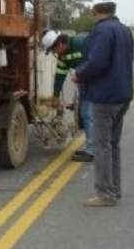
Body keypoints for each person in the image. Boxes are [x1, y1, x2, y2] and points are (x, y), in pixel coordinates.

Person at [72, 0, 134, 207]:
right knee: (113, 145)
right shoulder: (125, 30)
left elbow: (97, 62)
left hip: (104, 97)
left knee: (101, 147)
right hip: (122, 95)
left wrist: (79, 74)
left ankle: (105, 194)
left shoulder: (101, 31)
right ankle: (114, 190)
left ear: (95, 12)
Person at [41, 30, 95, 162]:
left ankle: (91, 150)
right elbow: (59, 76)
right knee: (86, 113)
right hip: (85, 82)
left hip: (95, 81)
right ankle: (92, 146)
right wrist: (55, 96)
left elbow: (95, 62)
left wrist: (81, 74)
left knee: (88, 114)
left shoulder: (81, 43)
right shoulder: (63, 57)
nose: (54, 54)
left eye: (53, 50)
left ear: (59, 44)